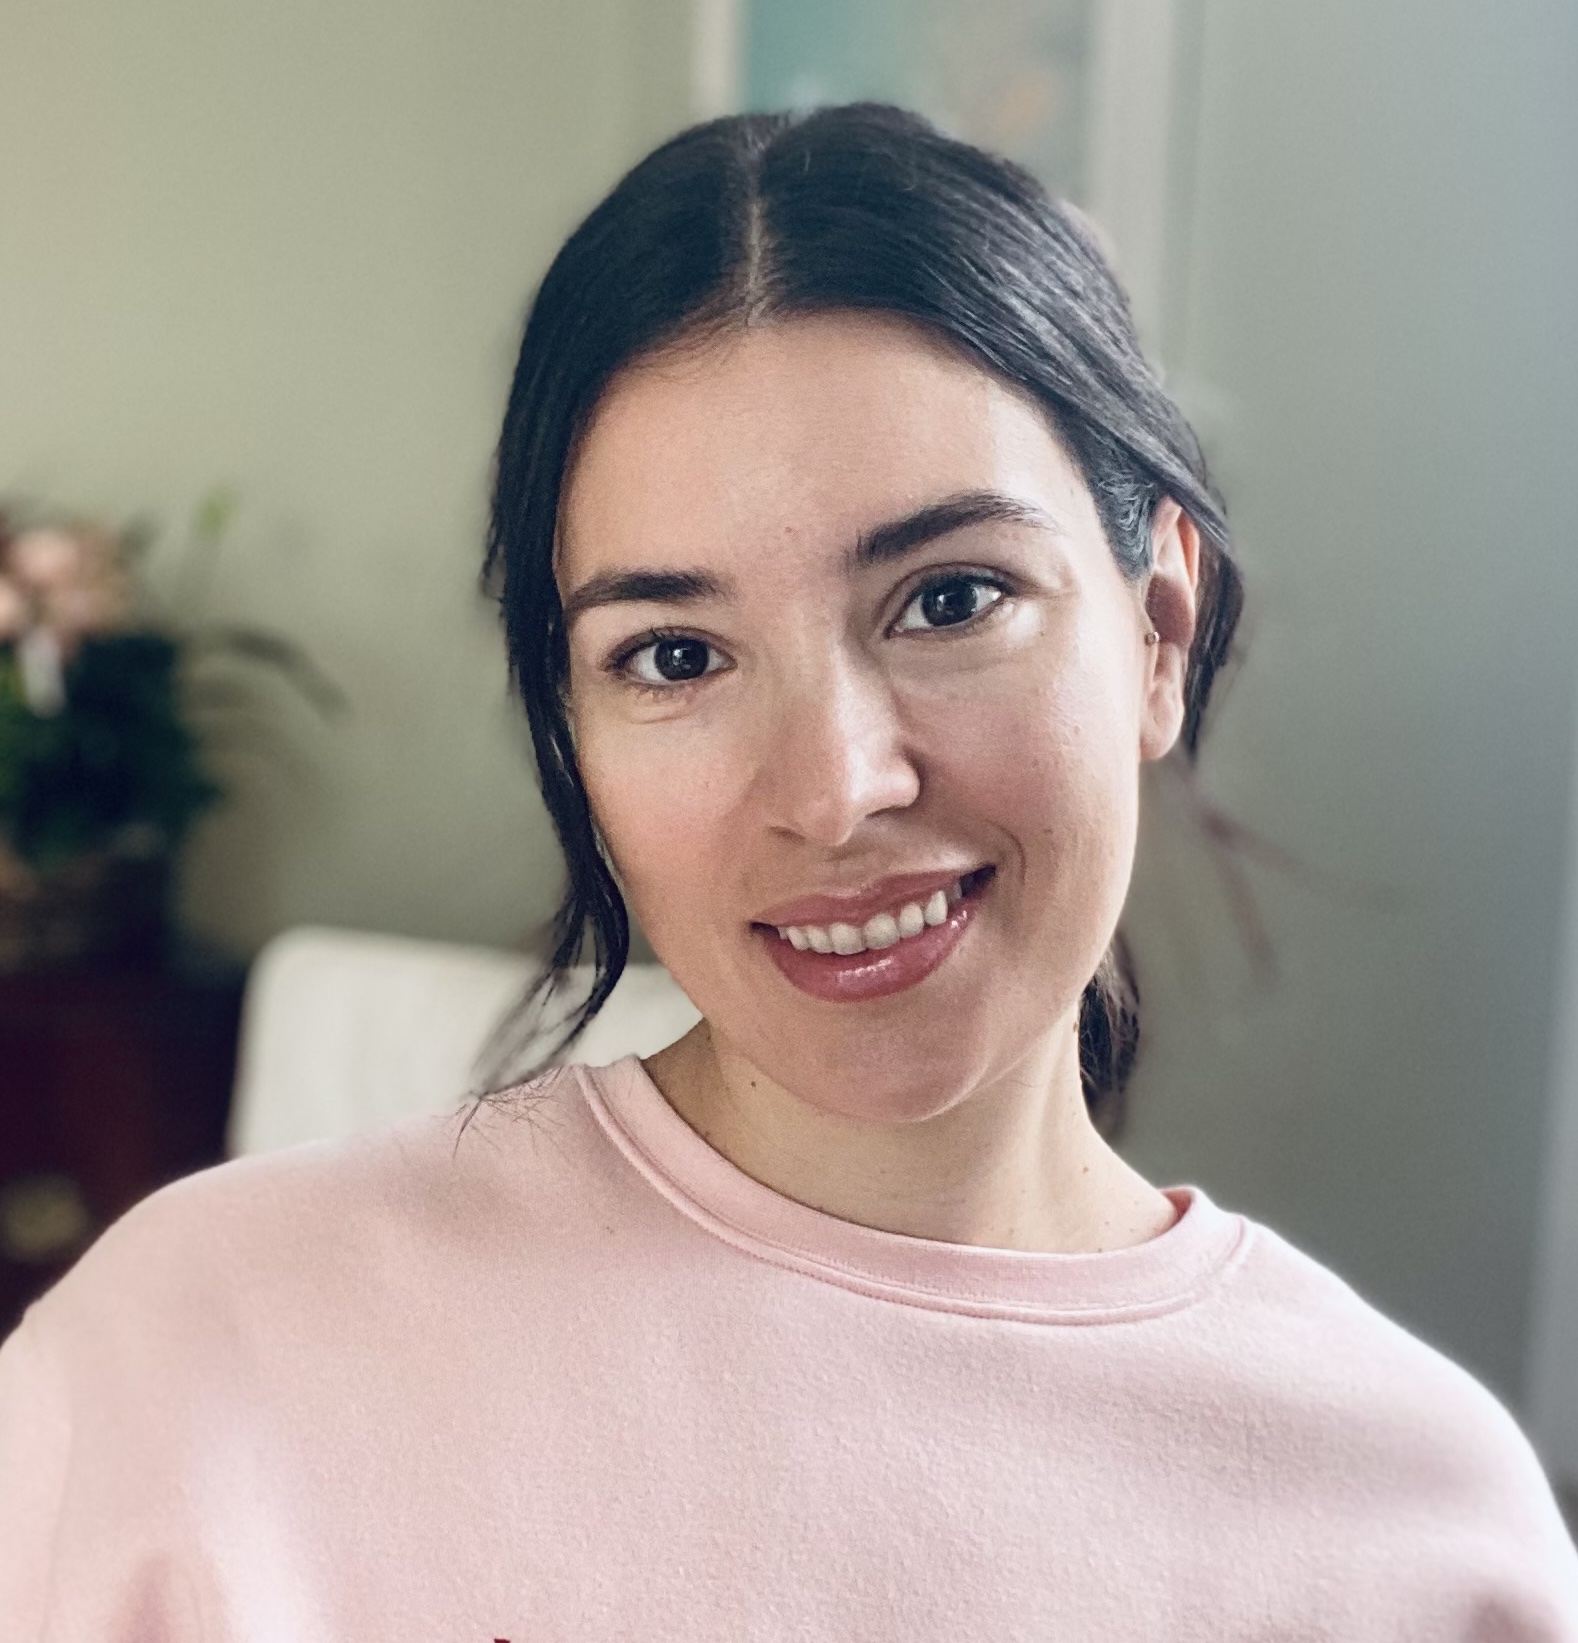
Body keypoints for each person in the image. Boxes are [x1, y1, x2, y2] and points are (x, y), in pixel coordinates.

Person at [1, 103, 1575, 1639]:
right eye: (674, 655)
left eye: (949, 599)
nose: (833, 792)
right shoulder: (186, 1370)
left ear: (1158, 628)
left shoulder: (1419, 1533)